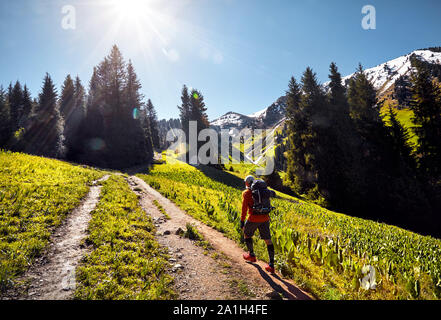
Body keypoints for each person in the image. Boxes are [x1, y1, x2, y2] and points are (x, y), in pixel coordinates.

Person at [240, 175, 275, 273]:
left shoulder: (246, 193)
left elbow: (244, 209)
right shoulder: (263, 192)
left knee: (247, 234)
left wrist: (242, 221)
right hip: (265, 218)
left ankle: (251, 255)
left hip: (253, 218)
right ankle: (271, 265)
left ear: (247, 183)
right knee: (268, 240)